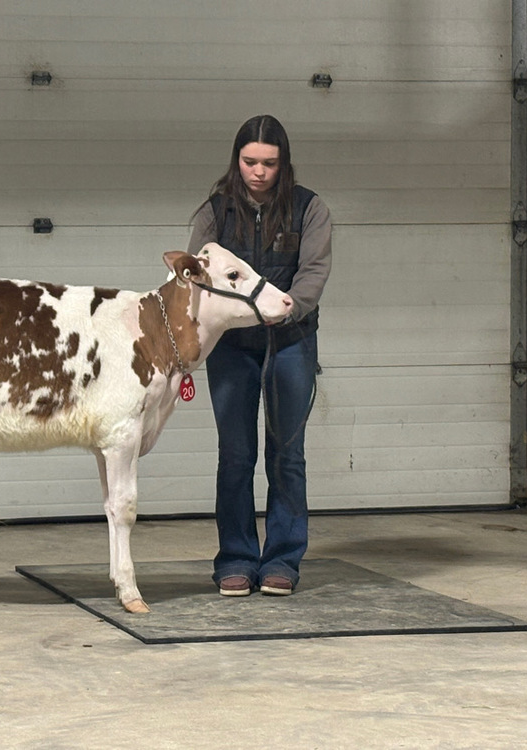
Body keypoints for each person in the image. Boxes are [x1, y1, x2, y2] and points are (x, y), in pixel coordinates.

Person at [187, 114, 332, 597]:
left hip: (290, 343)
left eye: (269, 163)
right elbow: (196, 276)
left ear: (283, 163)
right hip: (231, 348)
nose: (259, 171)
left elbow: (312, 274)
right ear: (237, 160)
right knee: (235, 455)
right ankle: (236, 558)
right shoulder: (215, 212)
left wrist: (287, 310)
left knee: (287, 454)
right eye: (250, 161)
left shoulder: (309, 209)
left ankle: (282, 561)